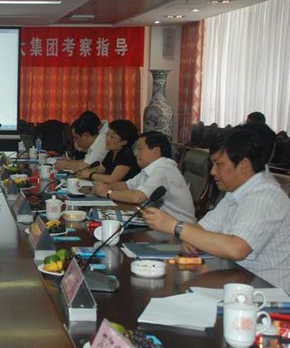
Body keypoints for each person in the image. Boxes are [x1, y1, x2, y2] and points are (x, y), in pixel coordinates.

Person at [143, 126, 290, 292]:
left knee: (169, 290)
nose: (213, 172)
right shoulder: (237, 192)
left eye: (219, 164)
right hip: (237, 280)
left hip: (267, 294)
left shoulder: (266, 197)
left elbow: (236, 249)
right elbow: (202, 228)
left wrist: (176, 227)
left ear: (244, 165)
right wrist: (190, 236)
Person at [93, 131, 196, 223]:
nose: (136, 154)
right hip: (161, 223)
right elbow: (127, 185)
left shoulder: (164, 170)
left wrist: (107, 193)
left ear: (155, 151)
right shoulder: (151, 168)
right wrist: (105, 187)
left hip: (179, 229)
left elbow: (137, 197)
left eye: (139, 148)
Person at [76, 119, 140, 183]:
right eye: (107, 134)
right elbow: (101, 169)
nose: (107, 139)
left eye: (112, 137)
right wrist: (87, 171)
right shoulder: (111, 153)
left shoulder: (127, 155)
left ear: (124, 142)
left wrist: (90, 175)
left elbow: (112, 179)